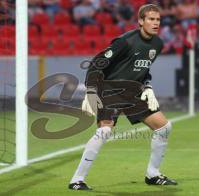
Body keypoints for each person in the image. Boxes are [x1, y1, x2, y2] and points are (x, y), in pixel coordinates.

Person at [69, 4, 178, 190]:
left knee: (164, 128)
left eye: (158, 19)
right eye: (151, 19)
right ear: (141, 21)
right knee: (105, 131)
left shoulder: (157, 44)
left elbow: (143, 69)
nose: (155, 23)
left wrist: (148, 87)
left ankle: (153, 174)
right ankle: (77, 180)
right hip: (110, 89)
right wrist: (91, 91)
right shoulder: (125, 42)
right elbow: (96, 64)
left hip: (133, 91)